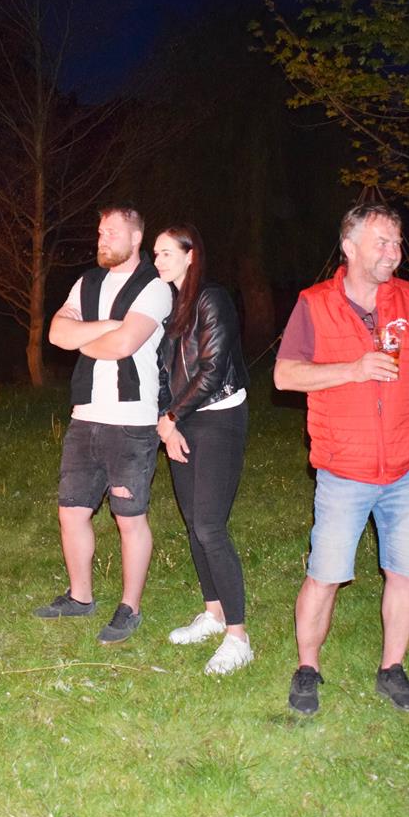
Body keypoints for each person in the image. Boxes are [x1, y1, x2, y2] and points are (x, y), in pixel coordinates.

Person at [274, 203, 409, 715]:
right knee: (325, 574)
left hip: (407, 467)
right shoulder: (314, 303)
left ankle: (393, 668)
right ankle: (308, 667)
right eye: (381, 243)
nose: (393, 253)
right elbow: (284, 375)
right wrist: (352, 369)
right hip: (344, 466)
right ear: (349, 247)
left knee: (405, 573)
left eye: (396, 242)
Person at [35, 204, 172, 644]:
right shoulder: (87, 282)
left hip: (131, 421)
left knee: (128, 518)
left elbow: (124, 345)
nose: (103, 238)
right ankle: (80, 597)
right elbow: (56, 334)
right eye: (100, 232)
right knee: (71, 512)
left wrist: (88, 337)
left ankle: (130, 608)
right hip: (85, 416)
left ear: (136, 238)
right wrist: (109, 326)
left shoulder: (154, 286)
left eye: (112, 231)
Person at [154, 224, 252, 675]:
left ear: (191, 255)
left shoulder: (212, 298)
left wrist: (174, 416)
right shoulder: (174, 308)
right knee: (194, 523)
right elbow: (164, 373)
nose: (158, 260)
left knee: (211, 526)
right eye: (155, 253)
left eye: (166, 252)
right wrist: (167, 421)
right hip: (184, 421)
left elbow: (213, 369)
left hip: (219, 417)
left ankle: (239, 637)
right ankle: (213, 614)